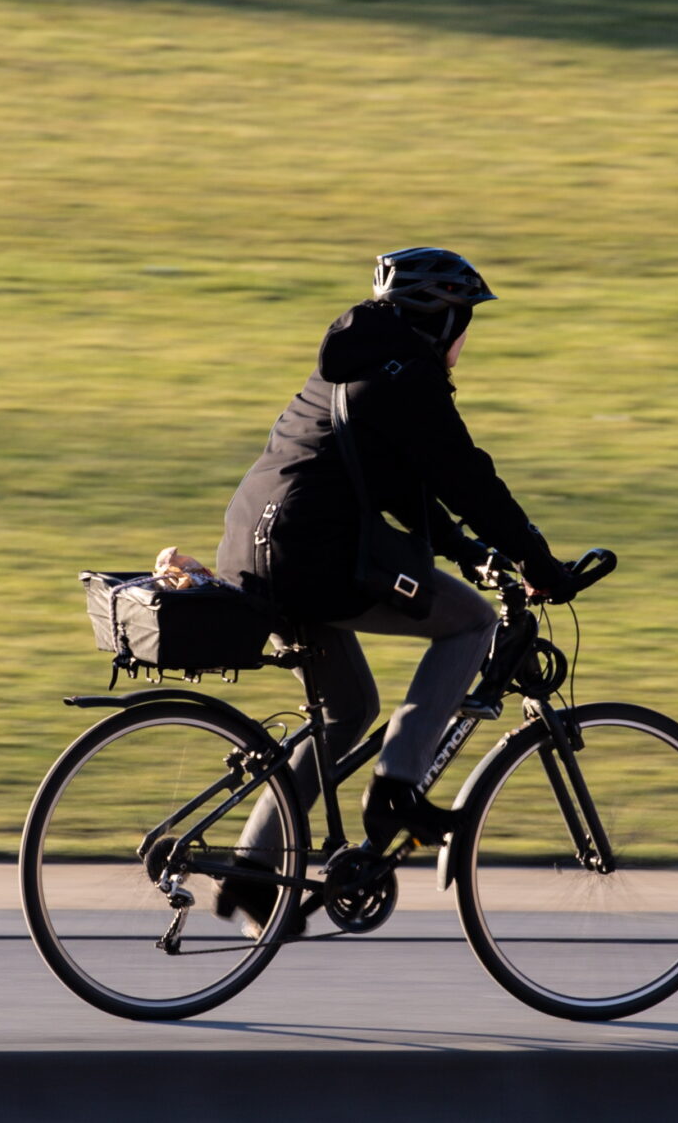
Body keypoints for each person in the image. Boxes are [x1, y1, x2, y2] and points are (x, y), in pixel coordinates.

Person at [211, 247, 576, 930]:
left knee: (350, 708)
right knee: (469, 623)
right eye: (464, 322)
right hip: (310, 555)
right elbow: (467, 478)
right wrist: (541, 562)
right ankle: (395, 794)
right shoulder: (406, 377)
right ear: (439, 322)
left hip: (259, 547)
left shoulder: (363, 363)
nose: (466, 339)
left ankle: (252, 869)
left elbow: (395, 482)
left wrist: (467, 549)